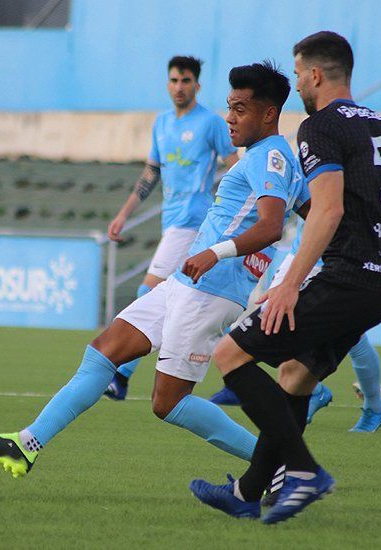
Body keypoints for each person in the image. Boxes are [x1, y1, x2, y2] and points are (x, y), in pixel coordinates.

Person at [0, 61, 305, 479]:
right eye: (229, 107)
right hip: (187, 281)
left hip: (211, 289)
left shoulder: (269, 156)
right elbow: (312, 211)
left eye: (240, 109)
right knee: (104, 351)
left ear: (269, 114)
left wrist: (218, 253)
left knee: (168, 403)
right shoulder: (271, 157)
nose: (229, 118)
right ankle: (26, 445)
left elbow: (271, 226)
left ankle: (279, 465)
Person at [189, 31, 381, 525]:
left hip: (345, 276)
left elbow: (327, 210)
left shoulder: (320, 127)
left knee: (230, 354)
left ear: (314, 74)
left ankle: (305, 471)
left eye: (297, 74)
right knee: (294, 376)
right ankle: (249, 491)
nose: (297, 83)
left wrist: (290, 281)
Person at [104, 56, 239, 400]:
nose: (180, 86)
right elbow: (151, 173)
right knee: (197, 301)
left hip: (193, 221)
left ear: (197, 85)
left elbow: (234, 165)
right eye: (175, 80)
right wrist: (124, 214)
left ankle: (120, 376)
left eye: (186, 80)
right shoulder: (162, 124)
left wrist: (242, 209)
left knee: (147, 293)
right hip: (172, 223)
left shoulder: (210, 123)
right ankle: (242, 374)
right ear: (168, 83)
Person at [210, 216, 381, 433]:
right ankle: (308, 393)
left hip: (339, 261)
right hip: (302, 255)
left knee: (353, 337)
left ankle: (373, 406)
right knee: (276, 321)